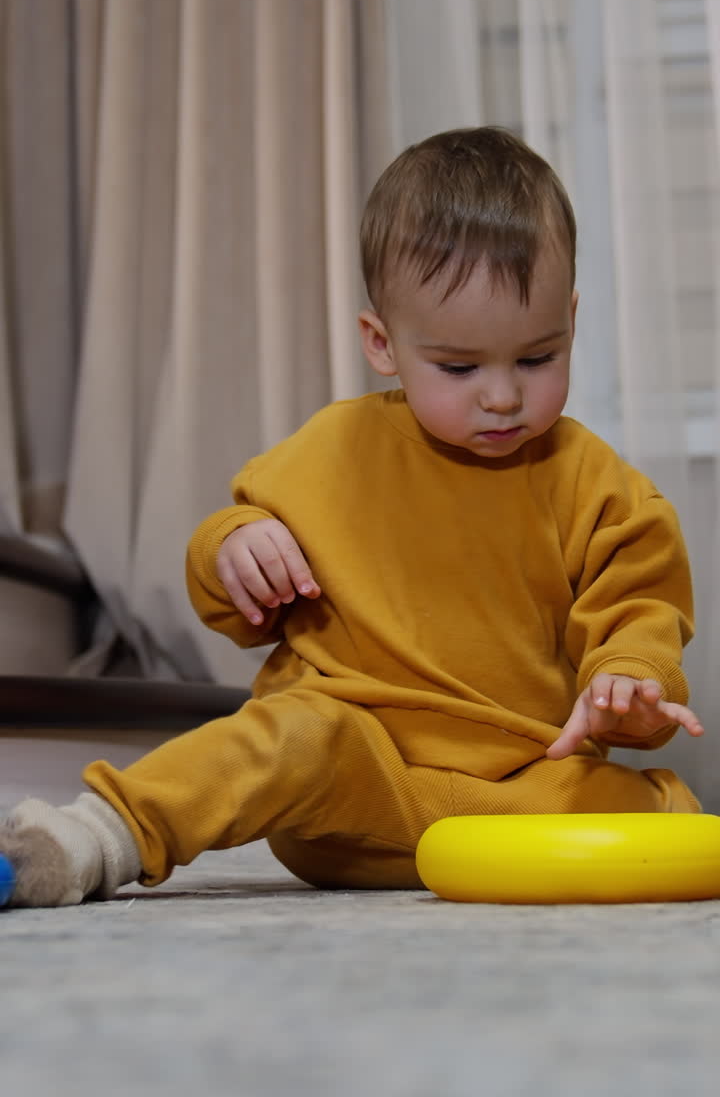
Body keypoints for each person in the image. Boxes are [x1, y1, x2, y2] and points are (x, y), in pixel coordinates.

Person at [0, 127, 705, 907]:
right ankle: (89, 839)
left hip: (519, 785)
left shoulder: (601, 488)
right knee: (282, 738)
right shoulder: (330, 451)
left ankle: (645, 816)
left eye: (537, 359)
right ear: (382, 344)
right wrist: (236, 547)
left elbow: (641, 607)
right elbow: (227, 588)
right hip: (350, 784)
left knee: (649, 809)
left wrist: (628, 678)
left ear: (571, 321)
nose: (503, 397)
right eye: (459, 367)